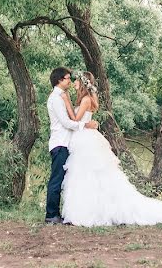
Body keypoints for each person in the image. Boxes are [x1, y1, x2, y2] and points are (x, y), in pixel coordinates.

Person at [60, 71, 162, 227]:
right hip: (86, 137)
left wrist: (66, 101)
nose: (74, 83)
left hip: (86, 139)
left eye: (76, 81)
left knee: (88, 174)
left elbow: (75, 119)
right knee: (89, 175)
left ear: (82, 83)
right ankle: (92, 208)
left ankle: (90, 211)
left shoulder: (86, 99)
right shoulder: (88, 99)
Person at [45, 67, 99, 224]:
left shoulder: (63, 96)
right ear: (60, 80)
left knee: (65, 179)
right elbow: (67, 123)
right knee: (57, 179)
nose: (70, 81)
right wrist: (86, 125)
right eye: (68, 78)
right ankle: (51, 215)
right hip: (60, 143)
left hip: (68, 143)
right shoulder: (56, 98)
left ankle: (59, 213)